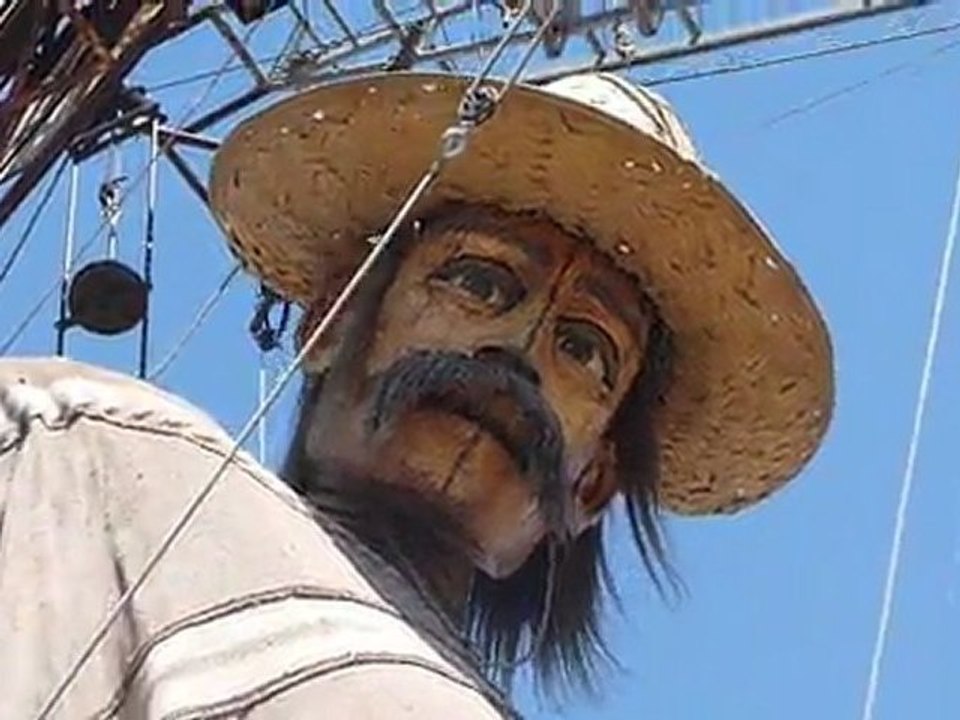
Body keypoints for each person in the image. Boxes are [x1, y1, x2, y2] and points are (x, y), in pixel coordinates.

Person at [0, 70, 833, 719]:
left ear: (591, 485)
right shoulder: (81, 450)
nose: (519, 353)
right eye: (478, 282)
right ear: (328, 325)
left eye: (585, 349)